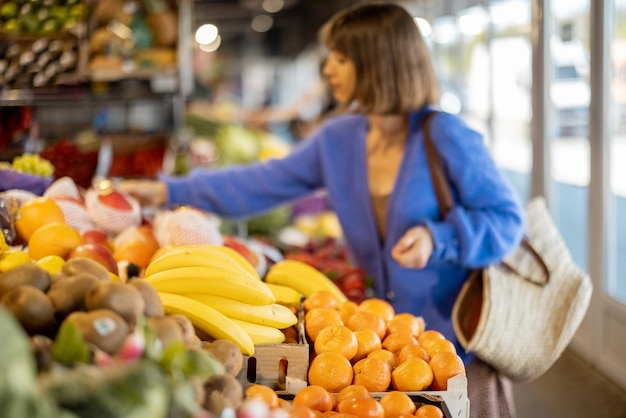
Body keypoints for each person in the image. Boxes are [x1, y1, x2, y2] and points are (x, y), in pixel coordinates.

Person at [120, 3, 524, 417]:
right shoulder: (340, 139)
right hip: (378, 353)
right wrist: (167, 189)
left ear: (381, 63)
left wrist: (438, 238)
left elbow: (507, 220)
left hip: (456, 351)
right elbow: (261, 183)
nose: (328, 69)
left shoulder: (445, 135)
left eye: (342, 58)